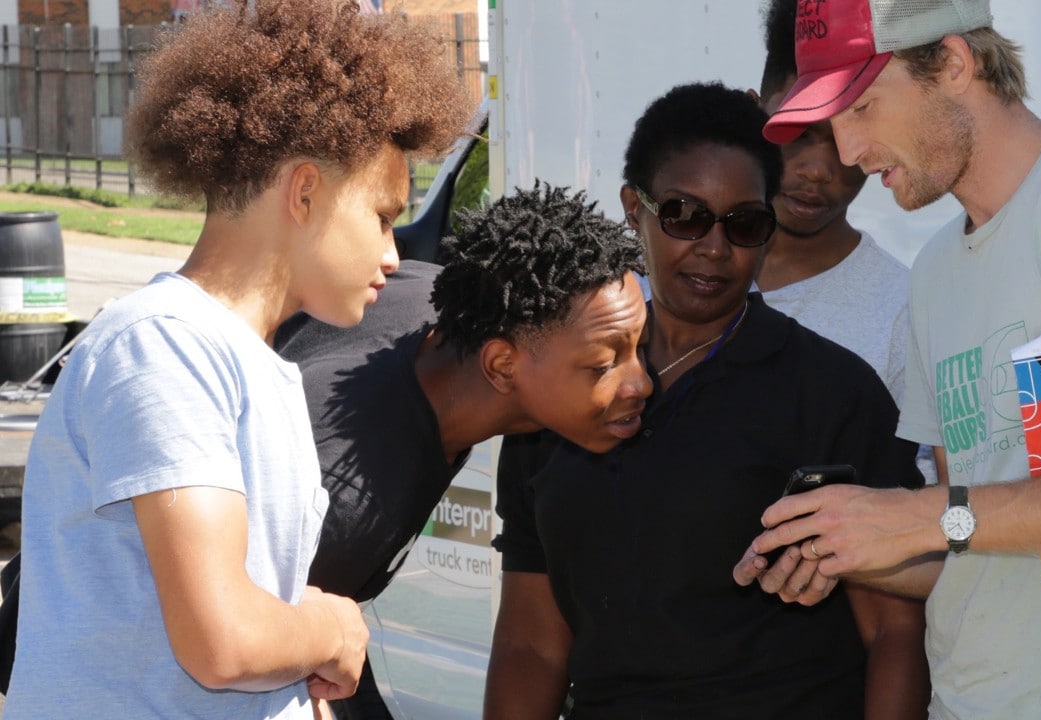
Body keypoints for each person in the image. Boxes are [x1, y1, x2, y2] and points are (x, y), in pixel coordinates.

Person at [737, 0, 1041, 717]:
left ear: (953, 62)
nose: (847, 151)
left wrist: (926, 517)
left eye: (863, 107)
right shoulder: (936, 269)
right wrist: (847, 545)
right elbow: (974, 540)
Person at [3, 0, 467, 717]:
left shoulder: (257, 366)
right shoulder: (165, 348)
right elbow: (223, 640)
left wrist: (296, 635)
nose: (391, 255)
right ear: (305, 190)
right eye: (381, 215)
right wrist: (330, 627)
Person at [486, 82, 928, 720]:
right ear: (634, 209)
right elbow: (531, 642)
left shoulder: (836, 395)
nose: (715, 248)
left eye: (744, 223)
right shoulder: (555, 395)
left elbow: (894, 633)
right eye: (685, 215)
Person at [273, 182, 650, 604]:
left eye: (638, 347)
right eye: (603, 366)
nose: (642, 384)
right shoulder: (349, 507)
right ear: (502, 367)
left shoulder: (442, 302)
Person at [754, 0, 911, 406]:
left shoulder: (904, 309)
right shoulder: (679, 274)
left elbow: (927, 468)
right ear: (754, 112)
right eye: (799, 131)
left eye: (847, 131)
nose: (818, 170)